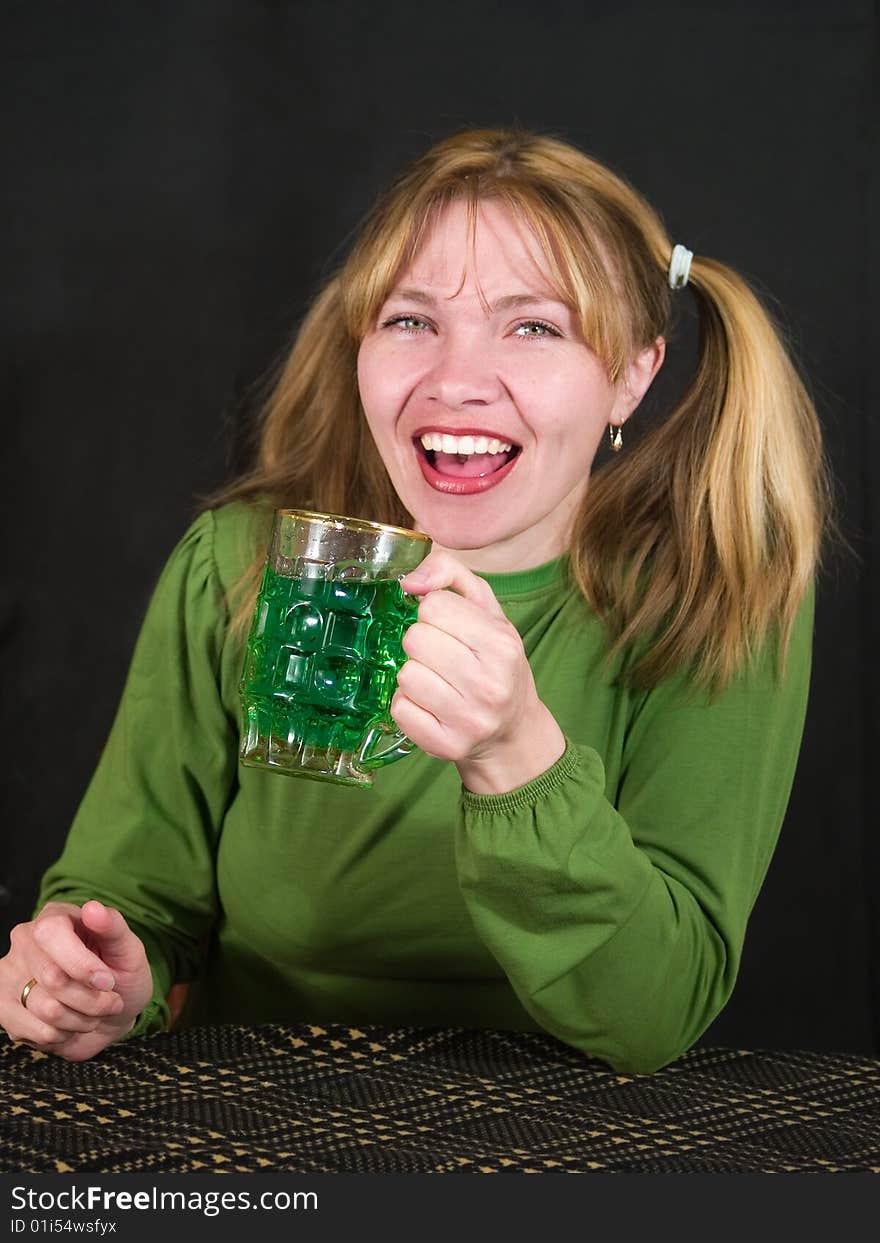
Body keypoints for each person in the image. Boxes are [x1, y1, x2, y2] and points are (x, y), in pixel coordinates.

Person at [0, 127, 832, 1074]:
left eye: (534, 326)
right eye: (410, 320)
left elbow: (657, 1013)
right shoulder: (241, 566)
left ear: (631, 375)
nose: (456, 382)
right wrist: (96, 977)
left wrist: (518, 757)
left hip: (570, 1148)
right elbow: (133, 900)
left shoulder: (717, 603)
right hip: (255, 1112)